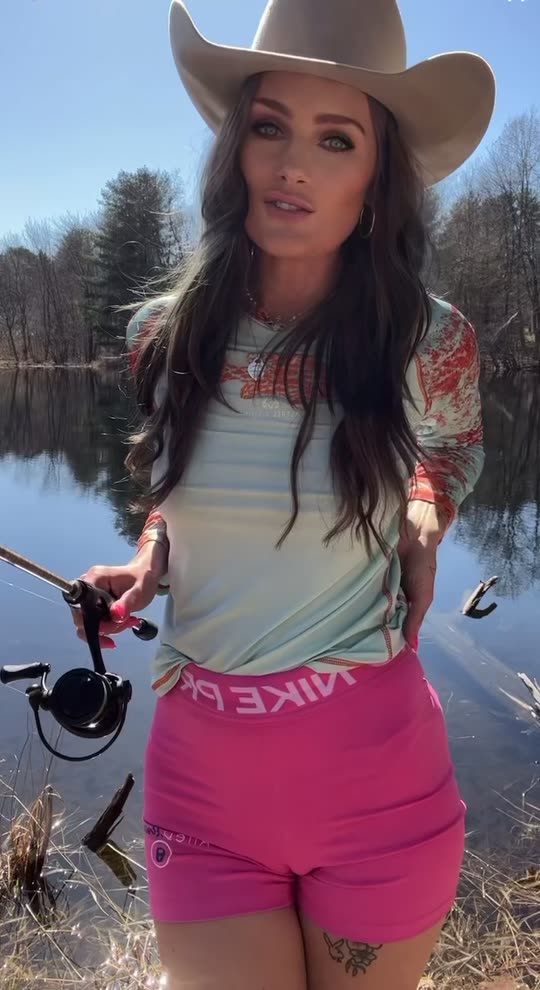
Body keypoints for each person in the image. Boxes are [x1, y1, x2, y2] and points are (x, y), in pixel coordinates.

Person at [73, 1, 496, 987]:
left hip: (377, 794)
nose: (292, 165)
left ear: (377, 181)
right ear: (237, 148)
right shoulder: (162, 335)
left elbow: (454, 448)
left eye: (334, 139)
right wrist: (147, 561)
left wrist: (424, 515)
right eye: (270, 126)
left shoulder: (427, 338)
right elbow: (179, 484)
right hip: (203, 799)